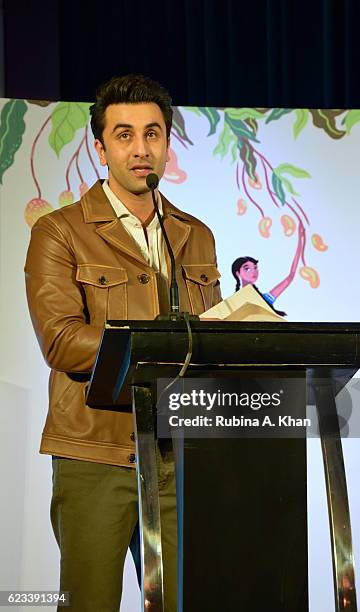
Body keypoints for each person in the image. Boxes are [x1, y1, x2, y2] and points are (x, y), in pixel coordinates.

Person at [24, 74, 222, 612]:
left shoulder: (195, 233)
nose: (141, 148)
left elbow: (209, 338)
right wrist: (161, 345)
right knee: (88, 603)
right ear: (101, 147)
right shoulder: (59, 232)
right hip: (96, 453)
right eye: (125, 135)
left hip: (179, 452)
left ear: (166, 143)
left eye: (153, 134)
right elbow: (62, 342)